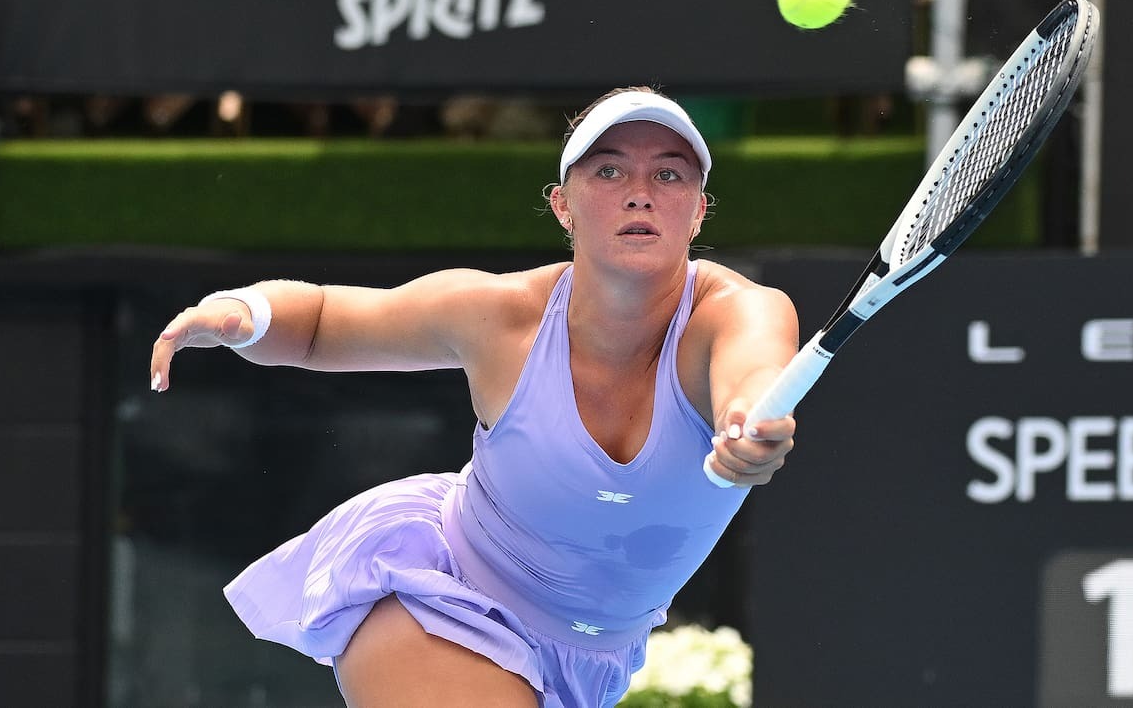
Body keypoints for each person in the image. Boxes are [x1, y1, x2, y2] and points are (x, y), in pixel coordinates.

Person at [148, 86, 800, 708]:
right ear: (562, 206)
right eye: (608, 172)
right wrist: (243, 313)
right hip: (441, 592)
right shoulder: (497, 314)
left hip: (595, 649)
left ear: (699, 210)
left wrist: (748, 424)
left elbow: (750, 375)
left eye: (668, 175)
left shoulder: (741, 312)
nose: (639, 195)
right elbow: (320, 323)